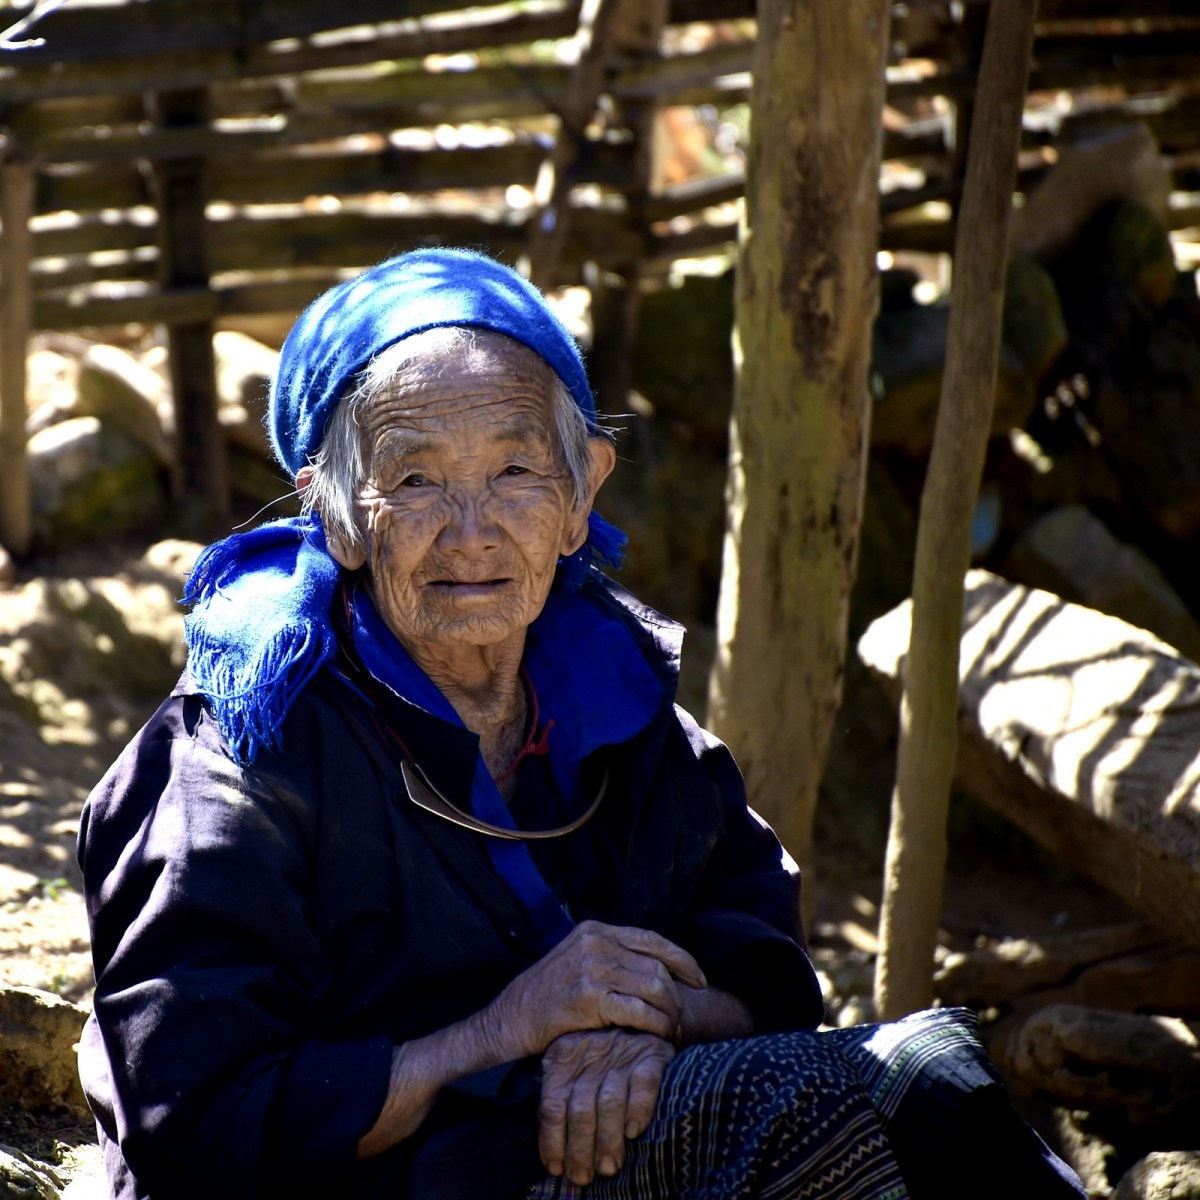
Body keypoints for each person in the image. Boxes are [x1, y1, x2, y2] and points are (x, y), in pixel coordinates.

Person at [77, 248, 1086, 1200]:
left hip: (587, 1140)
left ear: (580, 495)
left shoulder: (606, 694)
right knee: (897, 1095)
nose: (472, 531)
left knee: (923, 1086)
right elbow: (189, 1114)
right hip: (395, 1178)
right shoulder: (240, 751)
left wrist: (654, 1020)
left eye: (516, 473)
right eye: (416, 480)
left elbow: (763, 964)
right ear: (336, 512)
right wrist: (502, 1031)